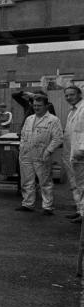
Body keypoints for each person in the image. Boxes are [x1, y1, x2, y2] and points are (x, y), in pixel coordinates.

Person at [15, 94, 63, 215]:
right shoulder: (29, 118)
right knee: (26, 181)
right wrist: (22, 147)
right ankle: (28, 204)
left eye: (39, 106)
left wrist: (48, 151)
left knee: (45, 182)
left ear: (46, 106)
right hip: (26, 154)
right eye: (35, 105)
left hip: (42, 155)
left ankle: (47, 207)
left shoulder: (53, 120)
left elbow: (58, 138)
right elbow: (23, 135)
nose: (36, 108)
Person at [61, 86, 84, 224]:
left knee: (82, 185)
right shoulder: (72, 111)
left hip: (80, 154)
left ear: (79, 94)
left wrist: (81, 149)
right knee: (75, 184)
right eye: (67, 95)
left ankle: (83, 213)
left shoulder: (83, 110)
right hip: (72, 153)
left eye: (72, 94)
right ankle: (80, 210)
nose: (69, 97)